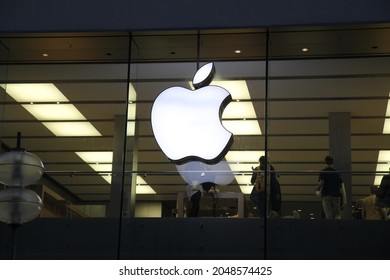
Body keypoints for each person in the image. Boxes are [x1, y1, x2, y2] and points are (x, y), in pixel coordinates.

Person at [316, 155, 346, 219]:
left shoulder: (323, 171)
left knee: (328, 214)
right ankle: (338, 227)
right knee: (337, 214)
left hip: (326, 195)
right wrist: (344, 201)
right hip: (336, 195)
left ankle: (330, 227)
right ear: (333, 162)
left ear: (325, 162)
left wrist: (317, 188)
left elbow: (321, 182)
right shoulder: (337, 172)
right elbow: (341, 187)